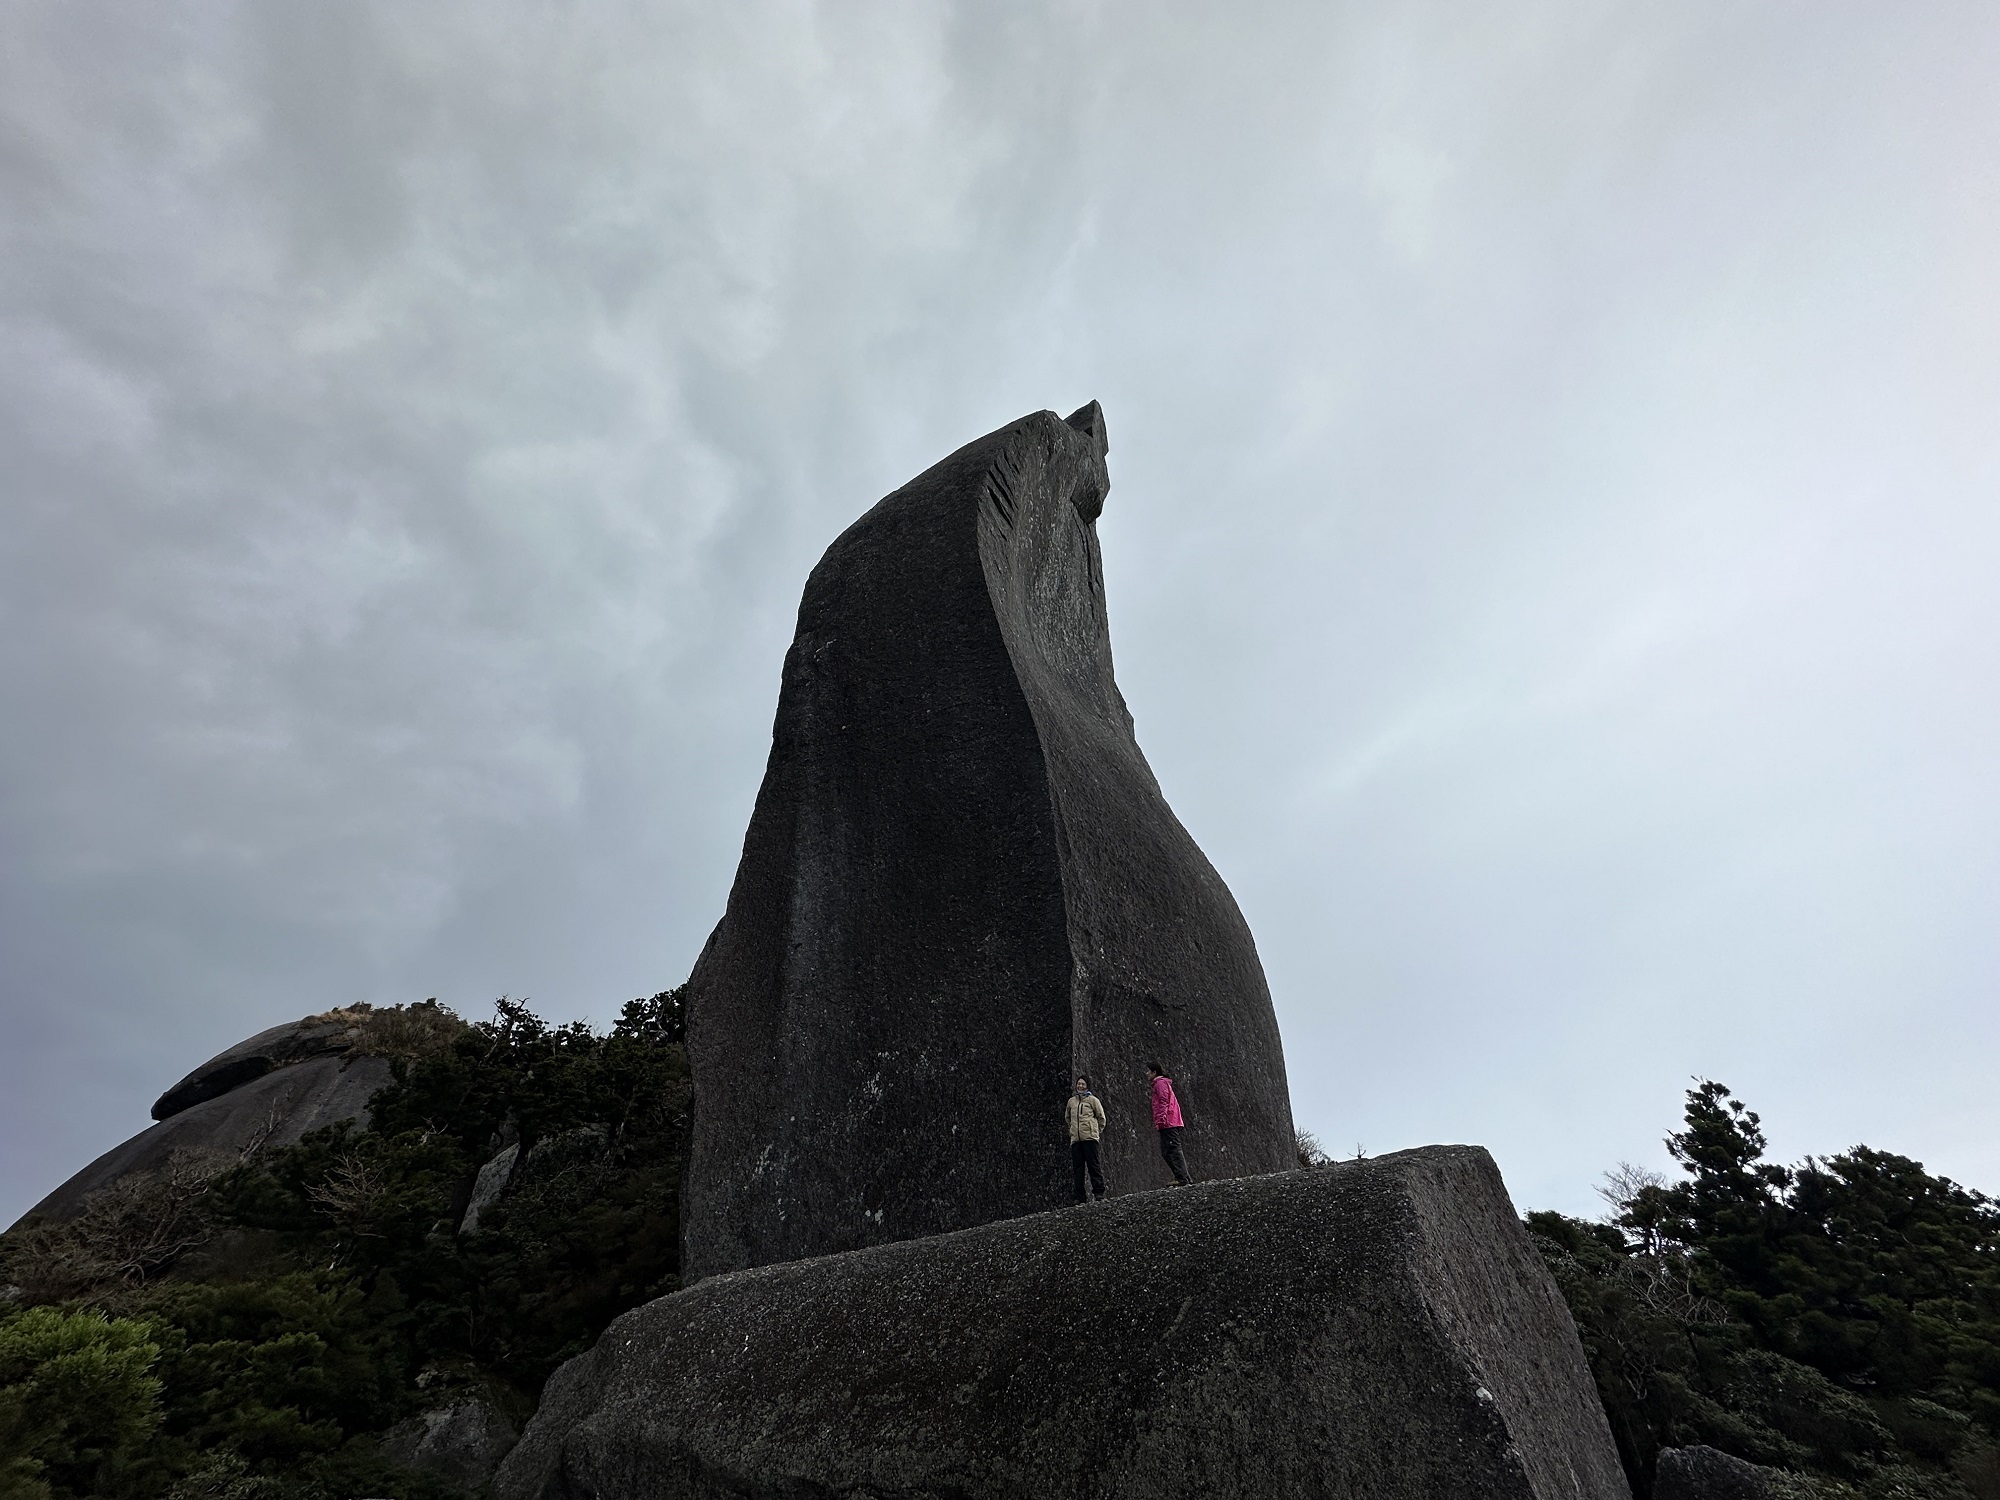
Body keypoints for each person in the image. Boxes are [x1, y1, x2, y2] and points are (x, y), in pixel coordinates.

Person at [1147, 1063, 1192, 1185]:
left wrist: (1161, 1119)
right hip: (1168, 1122)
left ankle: (1182, 1178)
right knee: (1167, 1151)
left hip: (1169, 1122)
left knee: (1173, 1149)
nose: (1147, 1074)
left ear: (1154, 1072)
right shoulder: (1159, 1084)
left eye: (1149, 1071)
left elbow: (1164, 1101)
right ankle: (1183, 1177)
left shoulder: (1160, 1083)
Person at [1066, 1074, 1107, 1205]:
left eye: (1083, 1084)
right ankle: (1079, 1196)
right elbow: (1067, 1118)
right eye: (1079, 1084)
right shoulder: (1071, 1101)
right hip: (1076, 1140)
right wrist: (1072, 1130)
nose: (1080, 1086)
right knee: (1078, 1169)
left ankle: (1099, 1192)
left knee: (1093, 1165)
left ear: (1087, 1086)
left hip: (1090, 1138)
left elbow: (1101, 1118)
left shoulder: (1093, 1100)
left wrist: (1095, 1131)